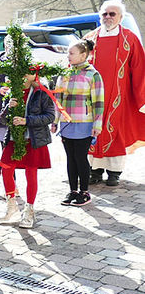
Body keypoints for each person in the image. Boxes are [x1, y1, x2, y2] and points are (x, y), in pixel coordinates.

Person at [87, 0, 145, 187]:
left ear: (120, 17)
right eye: (105, 14)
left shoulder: (130, 39)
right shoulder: (89, 39)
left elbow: (139, 68)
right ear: (100, 16)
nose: (108, 17)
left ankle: (114, 172)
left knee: (115, 131)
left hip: (119, 97)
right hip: (92, 96)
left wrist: (140, 97)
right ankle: (94, 171)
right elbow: (76, 64)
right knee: (92, 130)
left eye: (113, 14)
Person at [0, 74, 56, 229]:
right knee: (6, 168)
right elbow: (2, 119)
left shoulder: (41, 92)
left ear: (34, 75)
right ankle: (12, 206)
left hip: (33, 138)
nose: (23, 74)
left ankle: (29, 210)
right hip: (13, 138)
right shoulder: (13, 91)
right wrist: (8, 108)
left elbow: (50, 116)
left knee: (31, 172)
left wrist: (27, 120)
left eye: (27, 71)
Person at [53, 39, 104, 207]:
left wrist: (97, 124)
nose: (68, 56)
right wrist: (55, 121)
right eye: (68, 53)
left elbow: (98, 102)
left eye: (71, 53)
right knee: (70, 158)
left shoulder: (93, 74)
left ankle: (84, 192)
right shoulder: (64, 73)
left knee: (80, 157)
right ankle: (73, 190)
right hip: (67, 124)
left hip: (85, 123)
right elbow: (58, 98)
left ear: (84, 55)